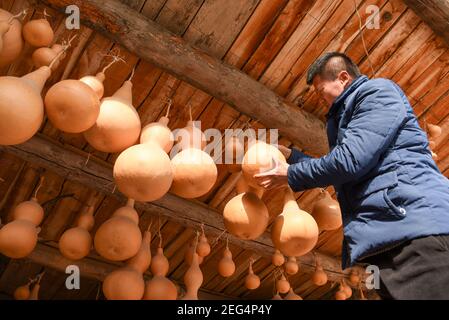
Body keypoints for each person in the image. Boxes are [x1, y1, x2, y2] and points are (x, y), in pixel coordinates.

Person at [254, 52, 449, 299]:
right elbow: (346, 168)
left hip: (413, 227)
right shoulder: (344, 118)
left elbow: (350, 161)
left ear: (343, 78)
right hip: (390, 236)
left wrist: (291, 173)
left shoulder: (378, 92)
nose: (320, 98)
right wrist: (291, 156)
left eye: (320, 90)